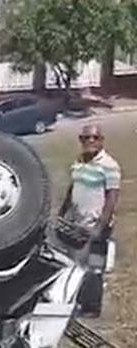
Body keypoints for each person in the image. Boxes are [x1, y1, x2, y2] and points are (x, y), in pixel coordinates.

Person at [60, 124, 121, 317]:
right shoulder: (79, 162)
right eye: (85, 138)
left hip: (96, 225)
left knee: (93, 268)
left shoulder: (110, 165)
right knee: (76, 265)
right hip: (77, 223)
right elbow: (73, 188)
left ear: (101, 140)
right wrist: (63, 212)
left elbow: (111, 199)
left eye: (94, 138)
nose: (90, 142)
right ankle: (78, 301)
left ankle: (92, 308)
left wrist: (99, 227)